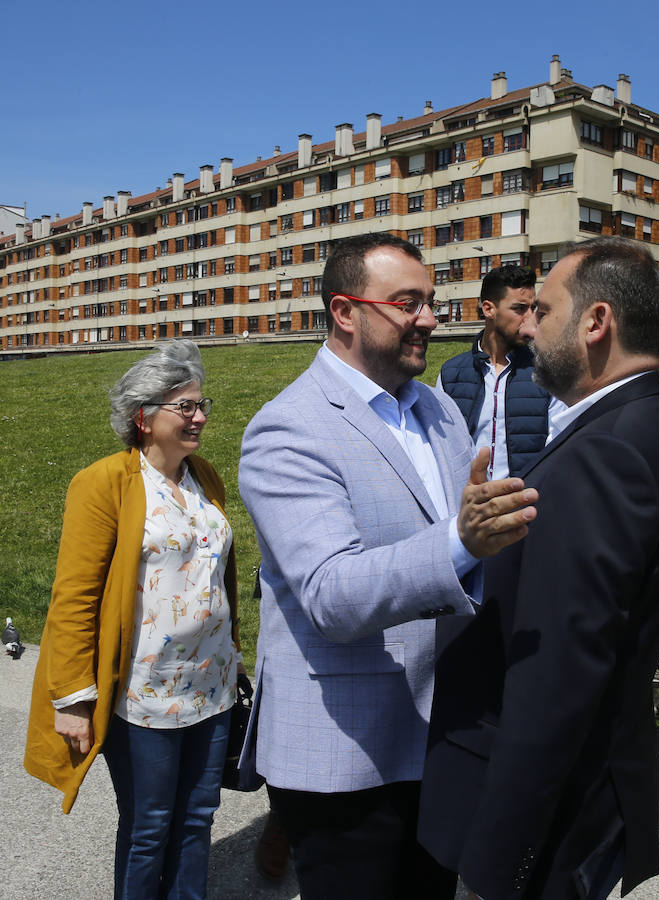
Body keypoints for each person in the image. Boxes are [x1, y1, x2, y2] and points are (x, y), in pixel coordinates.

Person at [238, 232, 537, 900]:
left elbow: (472, 549)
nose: (430, 318)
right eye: (409, 303)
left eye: (430, 301)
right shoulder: (288, 430)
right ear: (346, 312)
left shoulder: (434, 407)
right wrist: (463, 541)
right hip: (347, 752)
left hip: (444, 734)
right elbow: (331, 595)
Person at [418, 236, 659, 900]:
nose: (528, 326)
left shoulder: (607, 453)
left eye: (543, 310)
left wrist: (495, 866)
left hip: (544, 824)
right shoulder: (650, 423)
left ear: (596, 323)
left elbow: (557, 681)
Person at [24, 340, 241, 900]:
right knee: (149, 827)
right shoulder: (104, 483)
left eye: (201, 405)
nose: (198, 417)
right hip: (143, 692)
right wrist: (72, 698)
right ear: (143, 418)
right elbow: (73, 597)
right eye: (185, 407)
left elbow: (217, 574)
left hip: (210, 684)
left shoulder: (203, 477)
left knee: (198, 817)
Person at [437, 265, 564, 479]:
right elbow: (440, 448)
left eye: (533, 308)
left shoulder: (549, 373)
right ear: (489, 309)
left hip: (525, 506)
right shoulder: (451, 375)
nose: (530, 318)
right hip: (470, 506)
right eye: (519, 308)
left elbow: (558, 449)